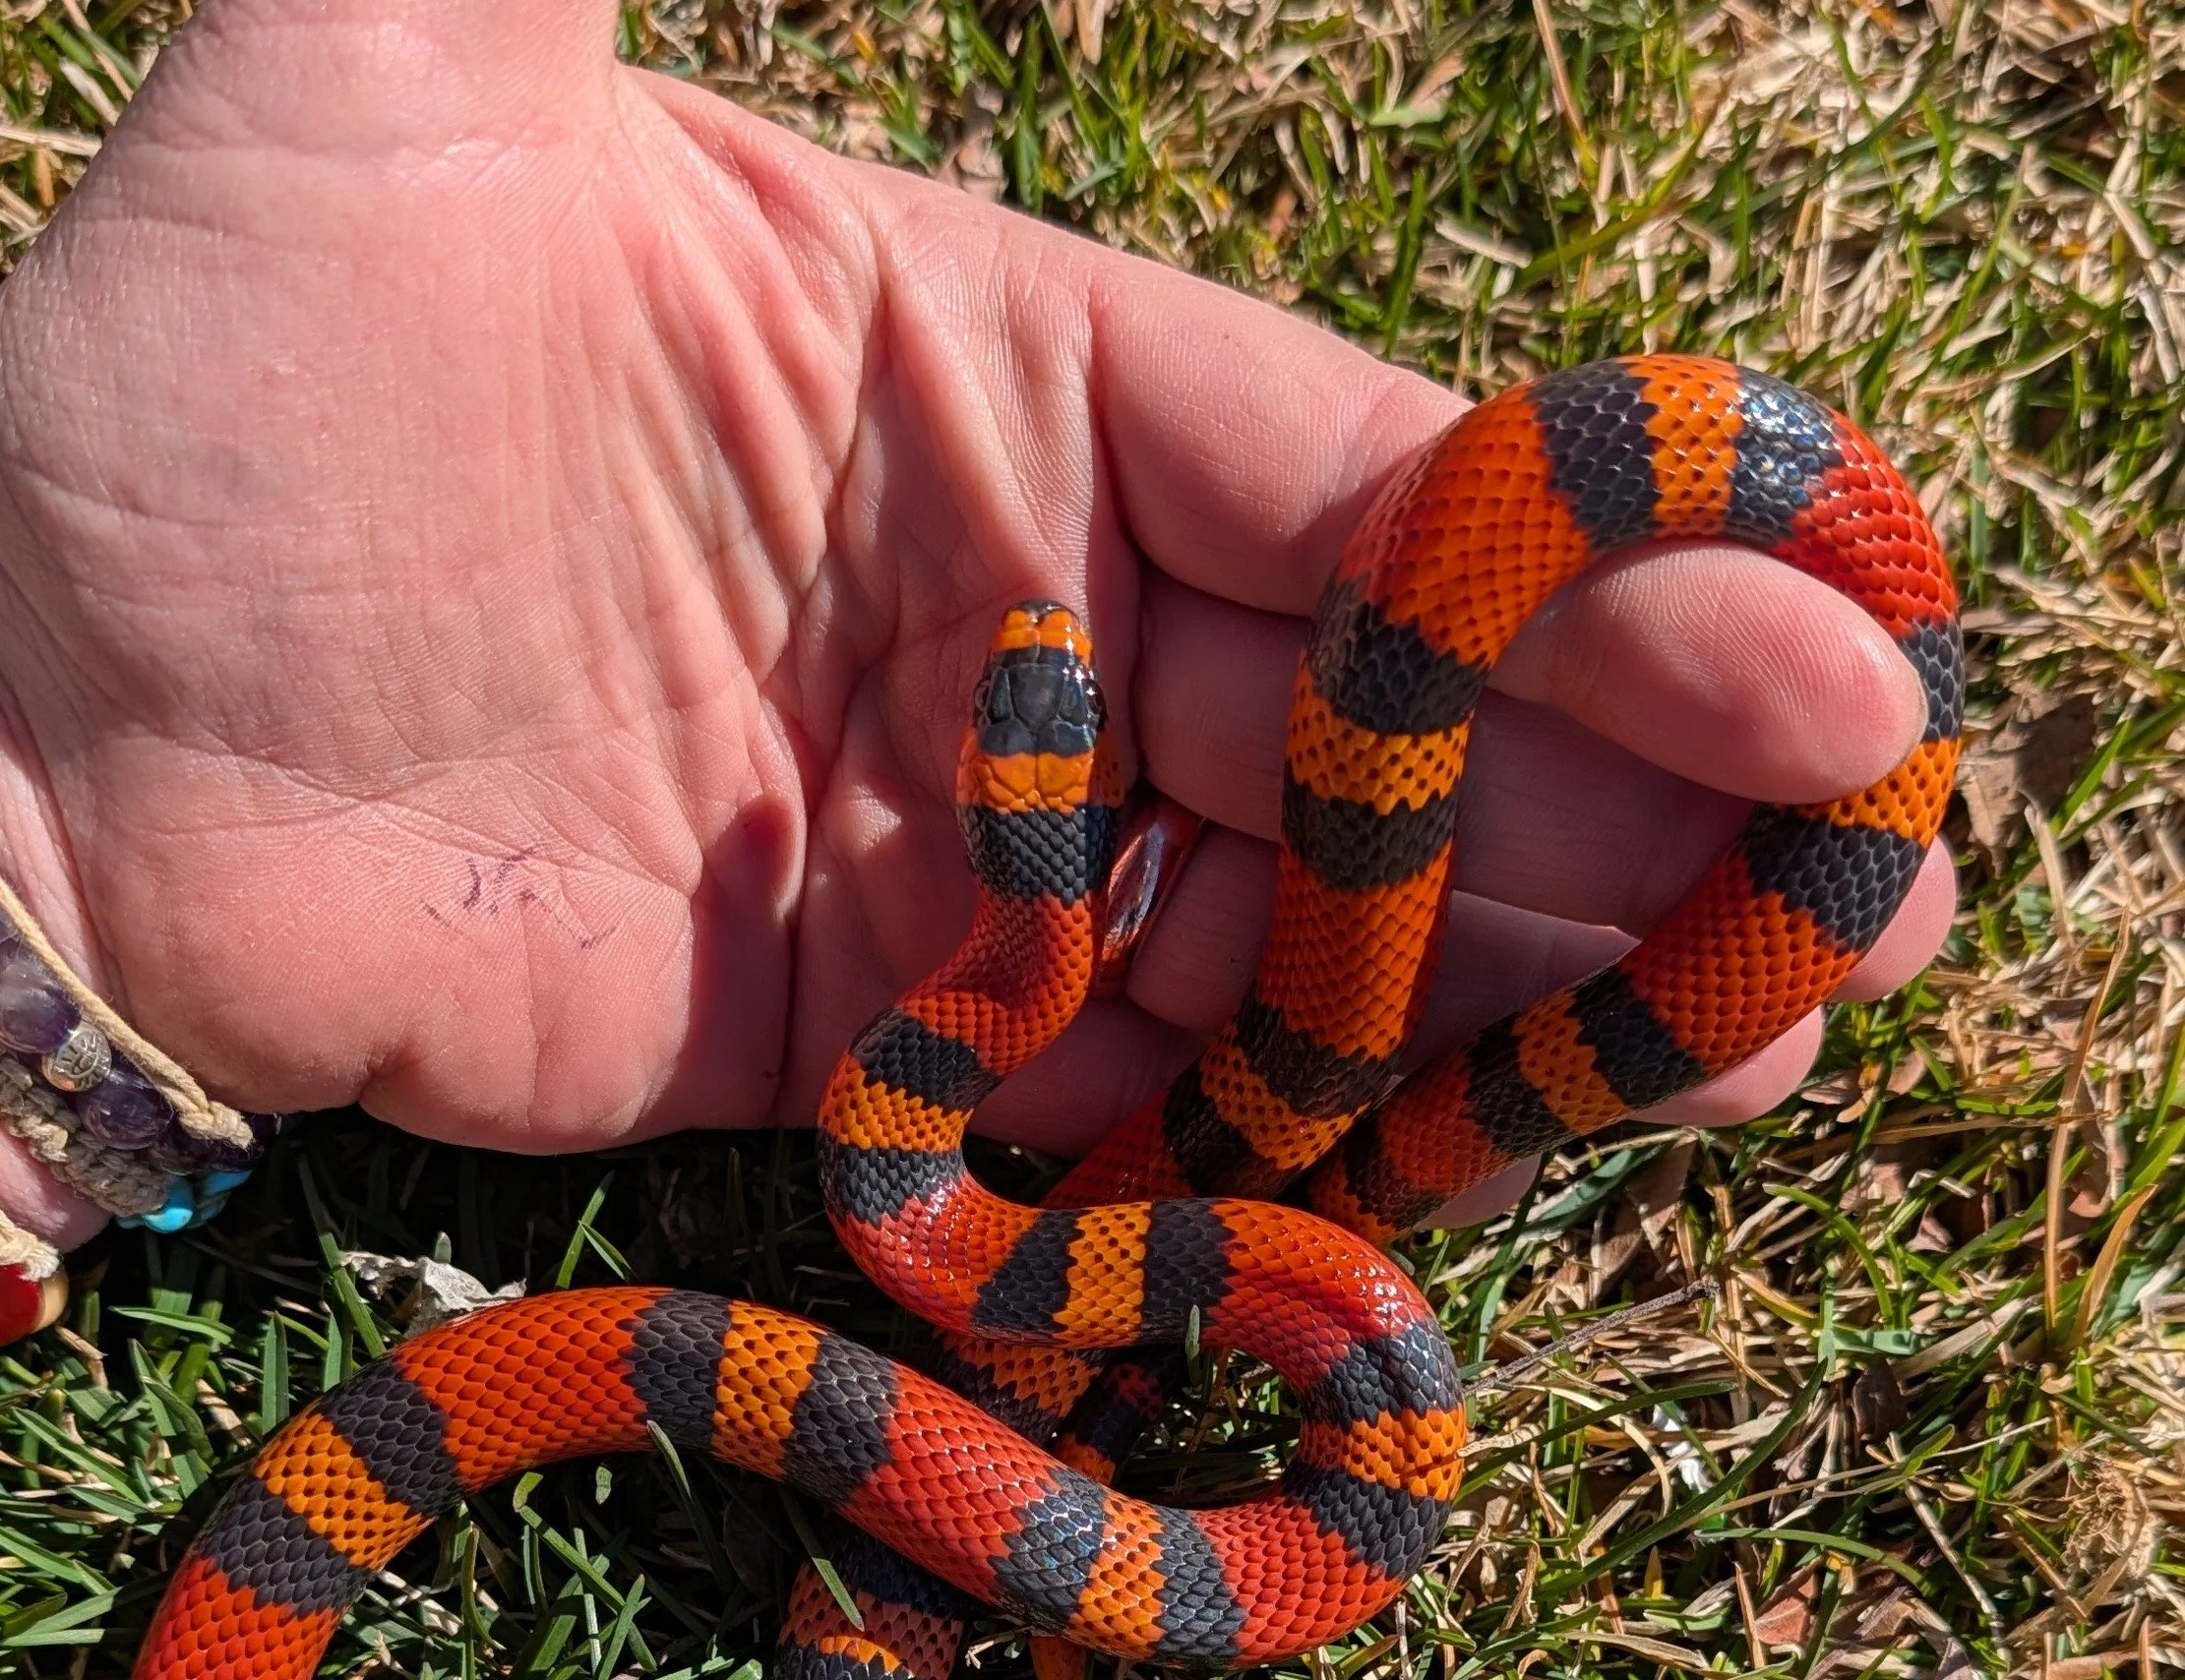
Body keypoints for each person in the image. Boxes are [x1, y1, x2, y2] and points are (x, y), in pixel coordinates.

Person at [0, 0, 1949, 1278]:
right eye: (1063, 727)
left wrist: (59, 852)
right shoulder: (968, 1012)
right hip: (1120, 1143)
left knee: (1797, 753)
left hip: (1123, 1144)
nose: (1046, 643)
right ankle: (1280, 1291)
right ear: (1063, 850)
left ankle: (1269, 1293)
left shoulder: (959, 1039)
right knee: (1371, 1075)